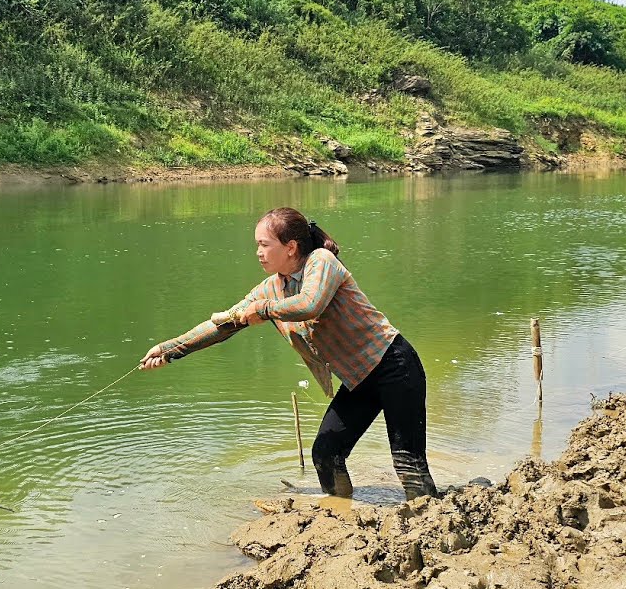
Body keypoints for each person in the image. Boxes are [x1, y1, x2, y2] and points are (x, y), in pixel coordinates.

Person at [139, 207, 438, 501]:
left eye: (264, 245)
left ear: (291, 247)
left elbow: (310, 304)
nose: (258, 252)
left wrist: (263, 310)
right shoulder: (270, 288)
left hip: (394, 366)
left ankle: (428, 515)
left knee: (407, 462)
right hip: (359, 380)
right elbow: (224, 324)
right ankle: (340, 511)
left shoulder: (321, 262)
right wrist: (170, 349)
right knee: (326, 454)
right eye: (257, 245)